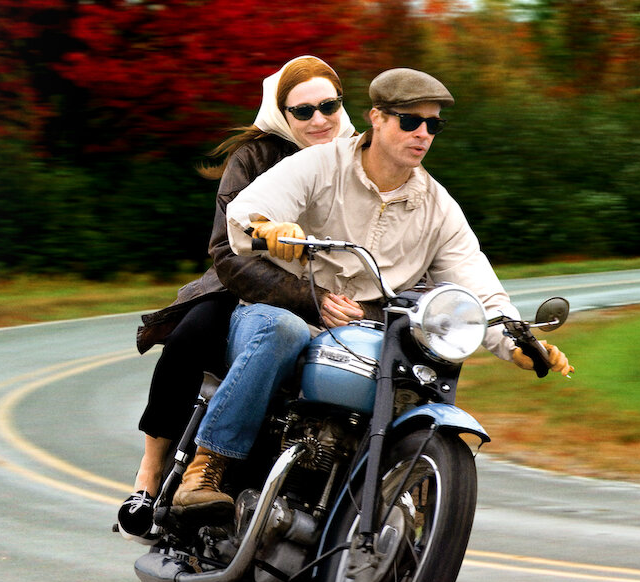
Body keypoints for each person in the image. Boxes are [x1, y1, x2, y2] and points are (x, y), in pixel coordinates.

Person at [171, 67, 573, 514]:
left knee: (426, 361)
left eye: (434, 124)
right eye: (410, 121)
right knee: (282, 329)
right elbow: (247, 211)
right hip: (283, 311)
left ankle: (408, 499)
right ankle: (208, 468)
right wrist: (269, 228)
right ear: (377, 118)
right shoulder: (320, 164)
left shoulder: (438, 207)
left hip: (369, 330)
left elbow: (476, 283)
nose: (423, 133)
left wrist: (515, 340)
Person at [117, 56, 356, 541]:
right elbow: (227, 251)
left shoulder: (363, 159)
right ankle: (150, 474)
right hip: (244, 284)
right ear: (282, 114)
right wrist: (307, 299)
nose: (318, 119)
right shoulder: (255, 156)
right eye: (303, 111)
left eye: (327, 105)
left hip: (338, 298)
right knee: (191, 336)